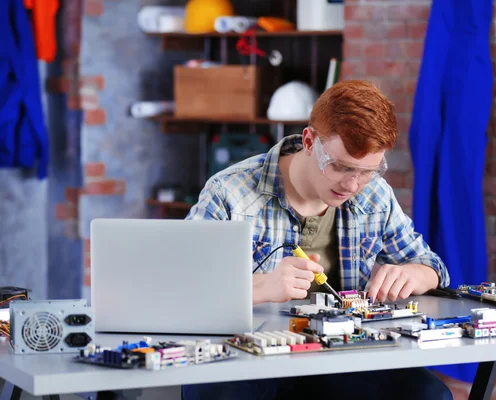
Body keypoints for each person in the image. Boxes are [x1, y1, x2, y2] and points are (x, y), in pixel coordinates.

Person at [183, 80, 453, 400]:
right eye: (340, 166)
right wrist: (262, 287)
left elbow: (432, 266)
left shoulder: (376, 196)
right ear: (310, 141)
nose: (352, 184)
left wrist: (413, 273)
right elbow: (183, 290)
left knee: (428, 395)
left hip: (342, 359)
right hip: (249, 358)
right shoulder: (229, 191)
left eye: (367, 171)